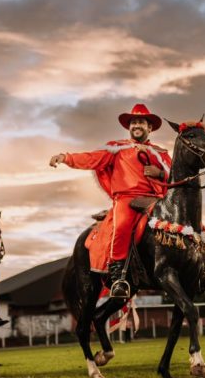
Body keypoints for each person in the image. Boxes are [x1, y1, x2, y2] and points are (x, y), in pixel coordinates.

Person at [49, 104, 172, 298]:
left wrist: (159, 173)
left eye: (141, 122)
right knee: (121, 225)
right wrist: (65, 157)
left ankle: (198, 268)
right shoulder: (116, 148)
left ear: (150, 128)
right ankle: (118, 277)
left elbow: (174, 176)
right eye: (133, 122)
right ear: (129, 127)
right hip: (127, 198)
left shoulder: (160, 153)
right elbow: (91, 158)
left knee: (183, 220)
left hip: (156, 199)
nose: (136, 125)